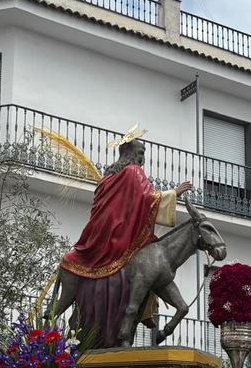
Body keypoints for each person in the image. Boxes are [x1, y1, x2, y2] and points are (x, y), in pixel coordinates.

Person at [59, 137, 193, 346]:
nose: (142, 157)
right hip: (120, 234)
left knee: (152, 266)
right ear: (130, 152)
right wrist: (174, 193)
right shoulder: (133, 171)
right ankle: (143, 312)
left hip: (101, 232)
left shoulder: (110, 175)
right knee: (151, 265)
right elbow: (148, 198)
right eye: (140, 152)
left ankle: (144, 311)